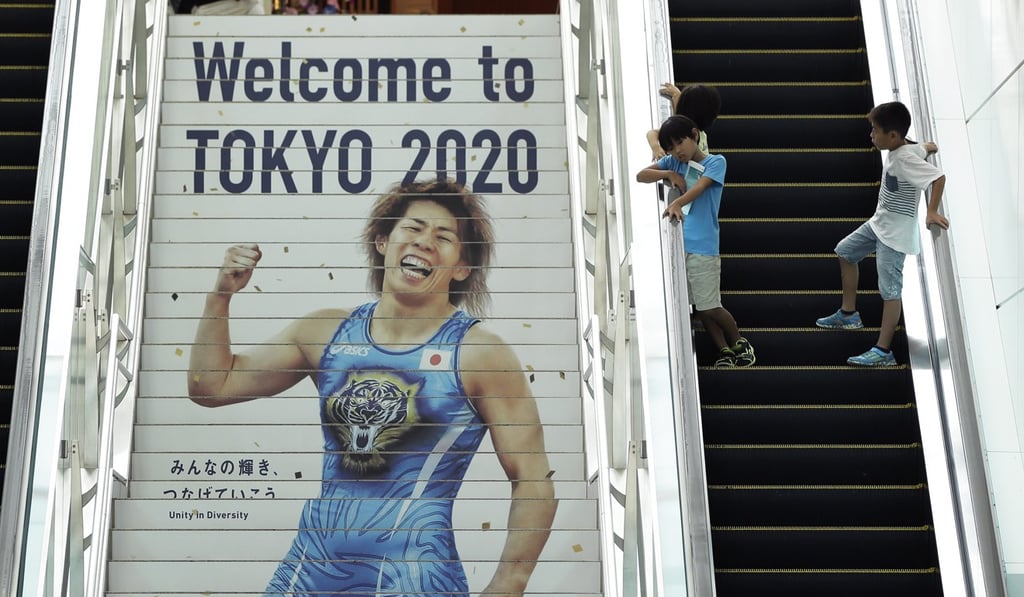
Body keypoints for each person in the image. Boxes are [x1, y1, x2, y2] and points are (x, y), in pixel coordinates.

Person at [186, 179, 557, 596]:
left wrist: (510, 584)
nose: (425, 242)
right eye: (413, 229)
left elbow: (532, 479)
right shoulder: (326, 331)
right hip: (310, 571)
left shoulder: (480, 354)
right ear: (383, 240)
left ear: (462, 267)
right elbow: (212, 387)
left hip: (414, 576)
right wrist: (220, 296)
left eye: (444, 237)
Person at [815, 101, 948, 366]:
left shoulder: (906, 158)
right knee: (844, 251)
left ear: (893, 136)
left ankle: (883, 351)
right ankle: (849, 313)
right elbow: (918, 149)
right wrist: (926, 147)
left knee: (889, 291)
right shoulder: (905, 148)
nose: (871, 135)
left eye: (875, 131)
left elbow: (938, 177)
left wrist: (931, 212)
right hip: (879, 223)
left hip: (895, 237)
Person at [636, 115, 755, 368]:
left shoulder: (716, 162)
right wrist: (667, 172)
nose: (677, 151)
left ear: (695, 135)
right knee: (699, 307)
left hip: (704, 247)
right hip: (679, 248)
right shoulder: (674, 163)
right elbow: (641, 175)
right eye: (671, 147)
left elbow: (700, 187)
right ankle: (723, 350)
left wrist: (677, 201)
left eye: (681, 142)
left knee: (710, 305)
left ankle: (739, 342)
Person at [646, 83, 722, 160]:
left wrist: (677, 95)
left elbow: (680, 117)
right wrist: (656, 148)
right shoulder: (692, 132)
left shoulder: (688, 131)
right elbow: (653, 133)